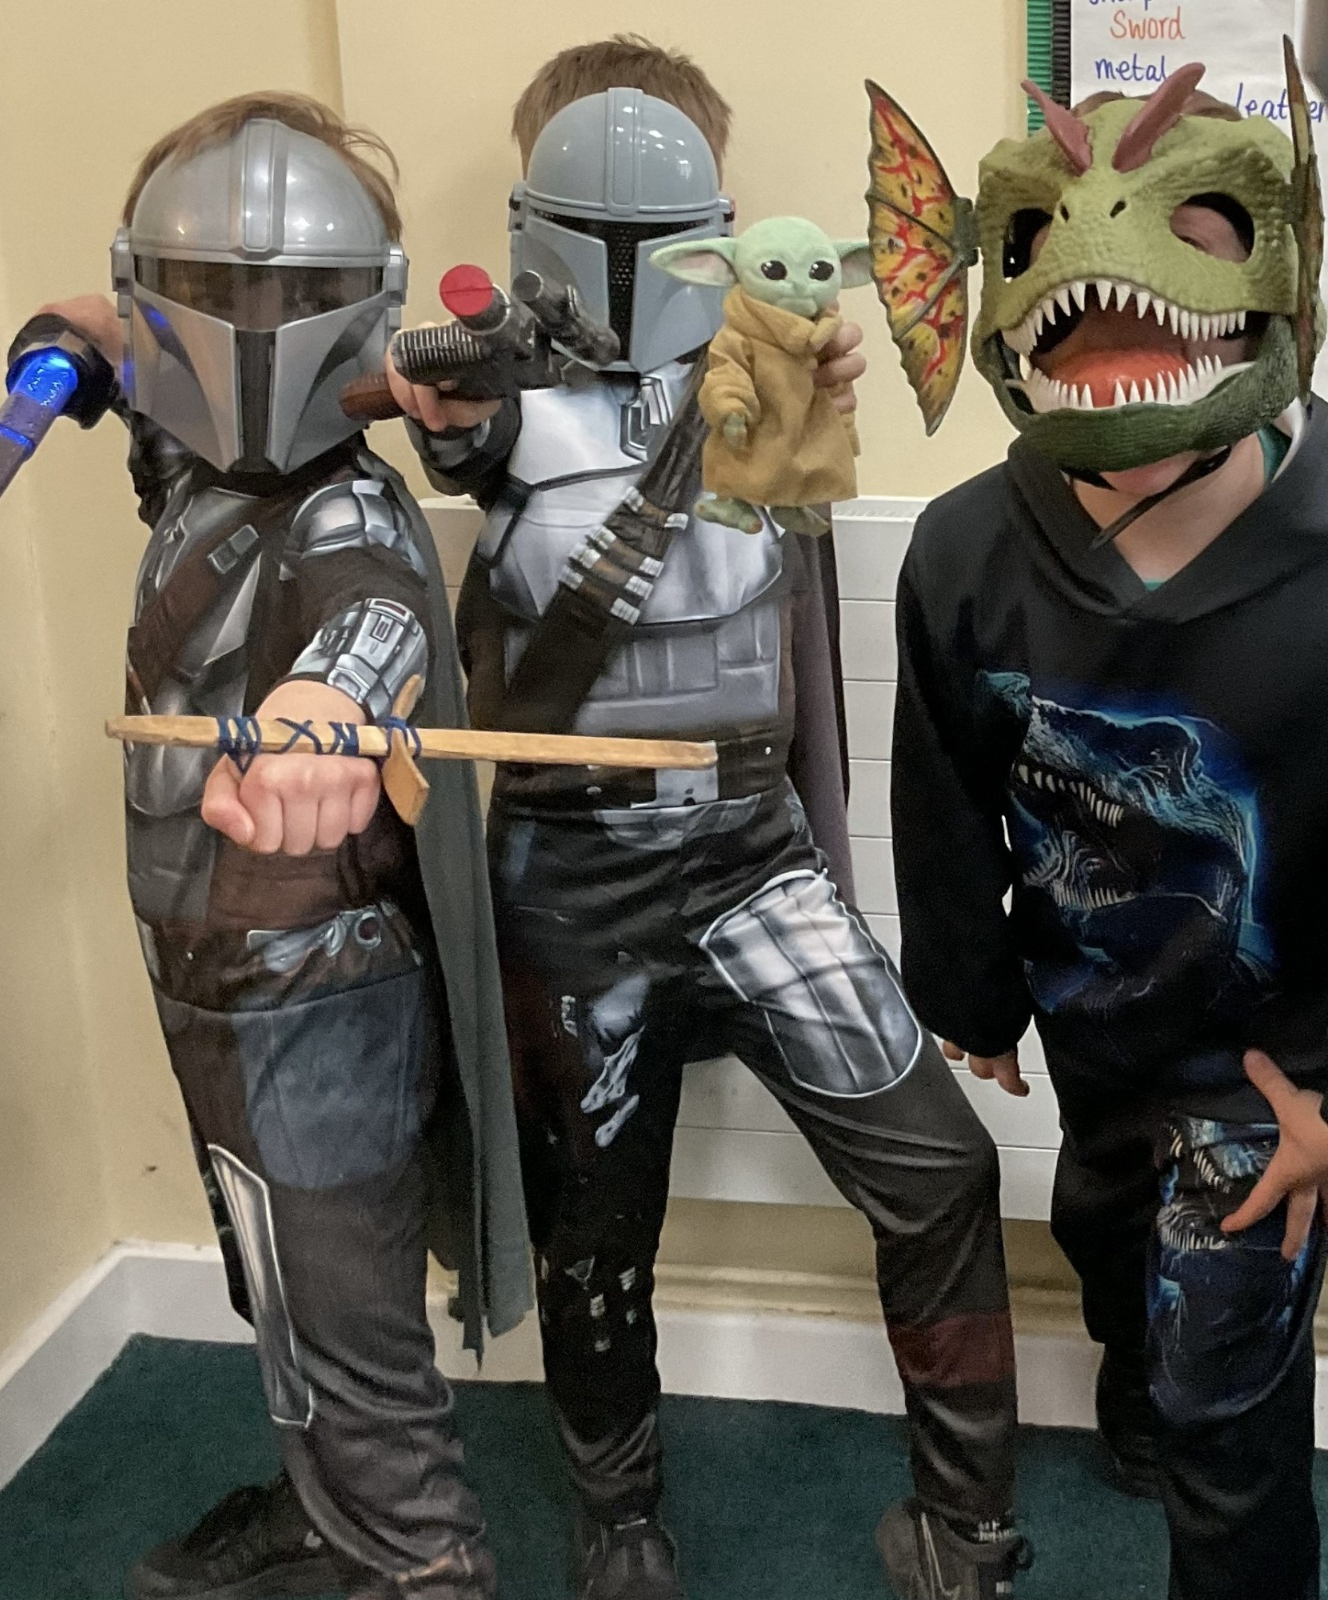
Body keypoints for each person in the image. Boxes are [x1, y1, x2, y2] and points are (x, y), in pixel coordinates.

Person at [386, 36, 1026, 1600]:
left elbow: (799, 612)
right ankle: (617, 1520)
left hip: (748, 856)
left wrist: (812, 374)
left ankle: (961, 1520)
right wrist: (445, 388)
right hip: (569, 873)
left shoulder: (765, 373)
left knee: (936, 1166)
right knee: (593, 1229)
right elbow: (446, 416)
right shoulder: (498, 399)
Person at [10, 92, 530, 1600]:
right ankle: (328, 1512)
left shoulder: (349, 517)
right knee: (278, 1287)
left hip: (318, 990)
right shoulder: (188, 471)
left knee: (349, 1330)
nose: (249, 343)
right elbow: (92, 330)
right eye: (212, 296)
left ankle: (420, 1565)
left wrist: (323, 723)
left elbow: (372, 628)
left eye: (291, 301)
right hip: (202, 962)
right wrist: (72, 346)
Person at [888, 65, 1328, 1600]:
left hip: (1272, 1073)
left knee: (1231, 1422)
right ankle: (1137, 1388)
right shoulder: (961, 552)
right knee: (1107, 1249)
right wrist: (970, 994)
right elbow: (944, 784)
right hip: (1098, 1035)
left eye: (1190, 235)